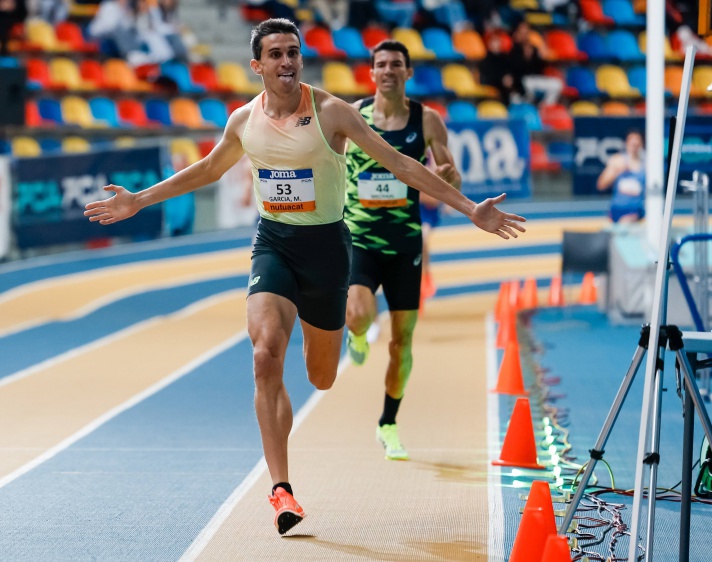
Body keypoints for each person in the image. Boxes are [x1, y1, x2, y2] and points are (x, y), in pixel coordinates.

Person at [84, 18, 526, 535]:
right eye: (276, 54)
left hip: (328, 249)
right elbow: (207, 170)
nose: (287, 62)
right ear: (258, 66)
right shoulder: (243, 121)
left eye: (293, 52)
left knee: (321, 376)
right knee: (265, 353)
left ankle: (319, 371)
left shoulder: (331, 112)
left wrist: (470, 209)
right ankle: (281, 489)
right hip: (273, 243)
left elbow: (401, 165)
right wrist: (139, 199)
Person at [343, 40, 463, 462]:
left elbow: (449, 181)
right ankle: (356, 334)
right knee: (357, 311)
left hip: (405, 243)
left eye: (396, 64)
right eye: (381, 64)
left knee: (402, 344)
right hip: (360, 237)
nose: (388, 70)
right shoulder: (351, 116)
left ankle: (388, 423)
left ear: (408, 73)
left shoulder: (427, 120)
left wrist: (448, 175)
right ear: (371, 73)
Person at [596, 130, 645, 223]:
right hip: (618, 211)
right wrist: (616, 171)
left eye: (637, 144)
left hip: (636, 212)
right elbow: (601, 185)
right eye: (632, 143)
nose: (634, 146)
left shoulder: (646, 164)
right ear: (626, 144)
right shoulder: (617, 160)